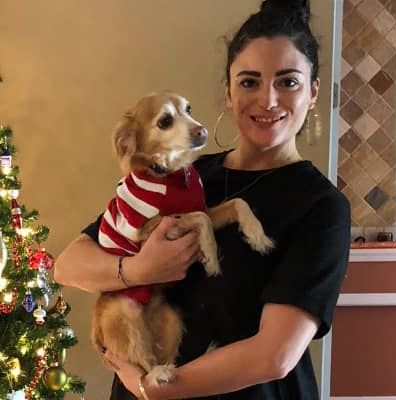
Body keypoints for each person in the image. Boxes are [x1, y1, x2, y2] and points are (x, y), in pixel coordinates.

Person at [54, 0, 351, 399]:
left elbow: (274, 356)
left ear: (313, 92)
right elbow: (69, 264)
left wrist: (151, 390)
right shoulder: (180, 176)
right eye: (249, 82)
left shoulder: (321, 206)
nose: (268, 100)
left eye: (288, 82)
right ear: (228, 91)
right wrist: (139, 270)